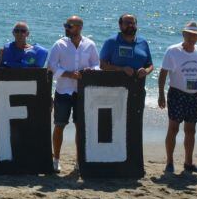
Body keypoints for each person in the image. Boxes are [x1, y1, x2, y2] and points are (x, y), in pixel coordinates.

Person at [158, 21, 197, 174]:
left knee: (191, 130)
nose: (192, 37)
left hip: (194, 95)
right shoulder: (172, 51)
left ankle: (188, 162)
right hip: (177, 93)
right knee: (173, 128)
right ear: (184, 34)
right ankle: (170, 162)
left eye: (195, 35)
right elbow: (163, 72)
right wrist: (161, 94)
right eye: (190, 34)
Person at [47, 16, 100, 173]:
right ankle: (56, 159)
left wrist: (92, 70)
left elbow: (97, 64)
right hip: (63, 91)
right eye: (66, 25)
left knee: (81, 127)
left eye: (69, 26)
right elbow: (51, 66)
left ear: (79, 27)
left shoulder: (90, 45)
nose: (66, 28)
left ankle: (79, 160)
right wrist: (69, 74)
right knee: (59, 125)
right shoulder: (59, 44)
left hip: (82, 92)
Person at [99, 14, 154, 80]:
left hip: (138, 86)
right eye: (127, 23)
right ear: (120, 25)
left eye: (133, 23)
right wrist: (121, 69)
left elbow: (150, 65)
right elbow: (102, 65)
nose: (130, 25)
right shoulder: (111, 42)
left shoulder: (143, 42)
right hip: (115, 87)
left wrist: (146, 71)